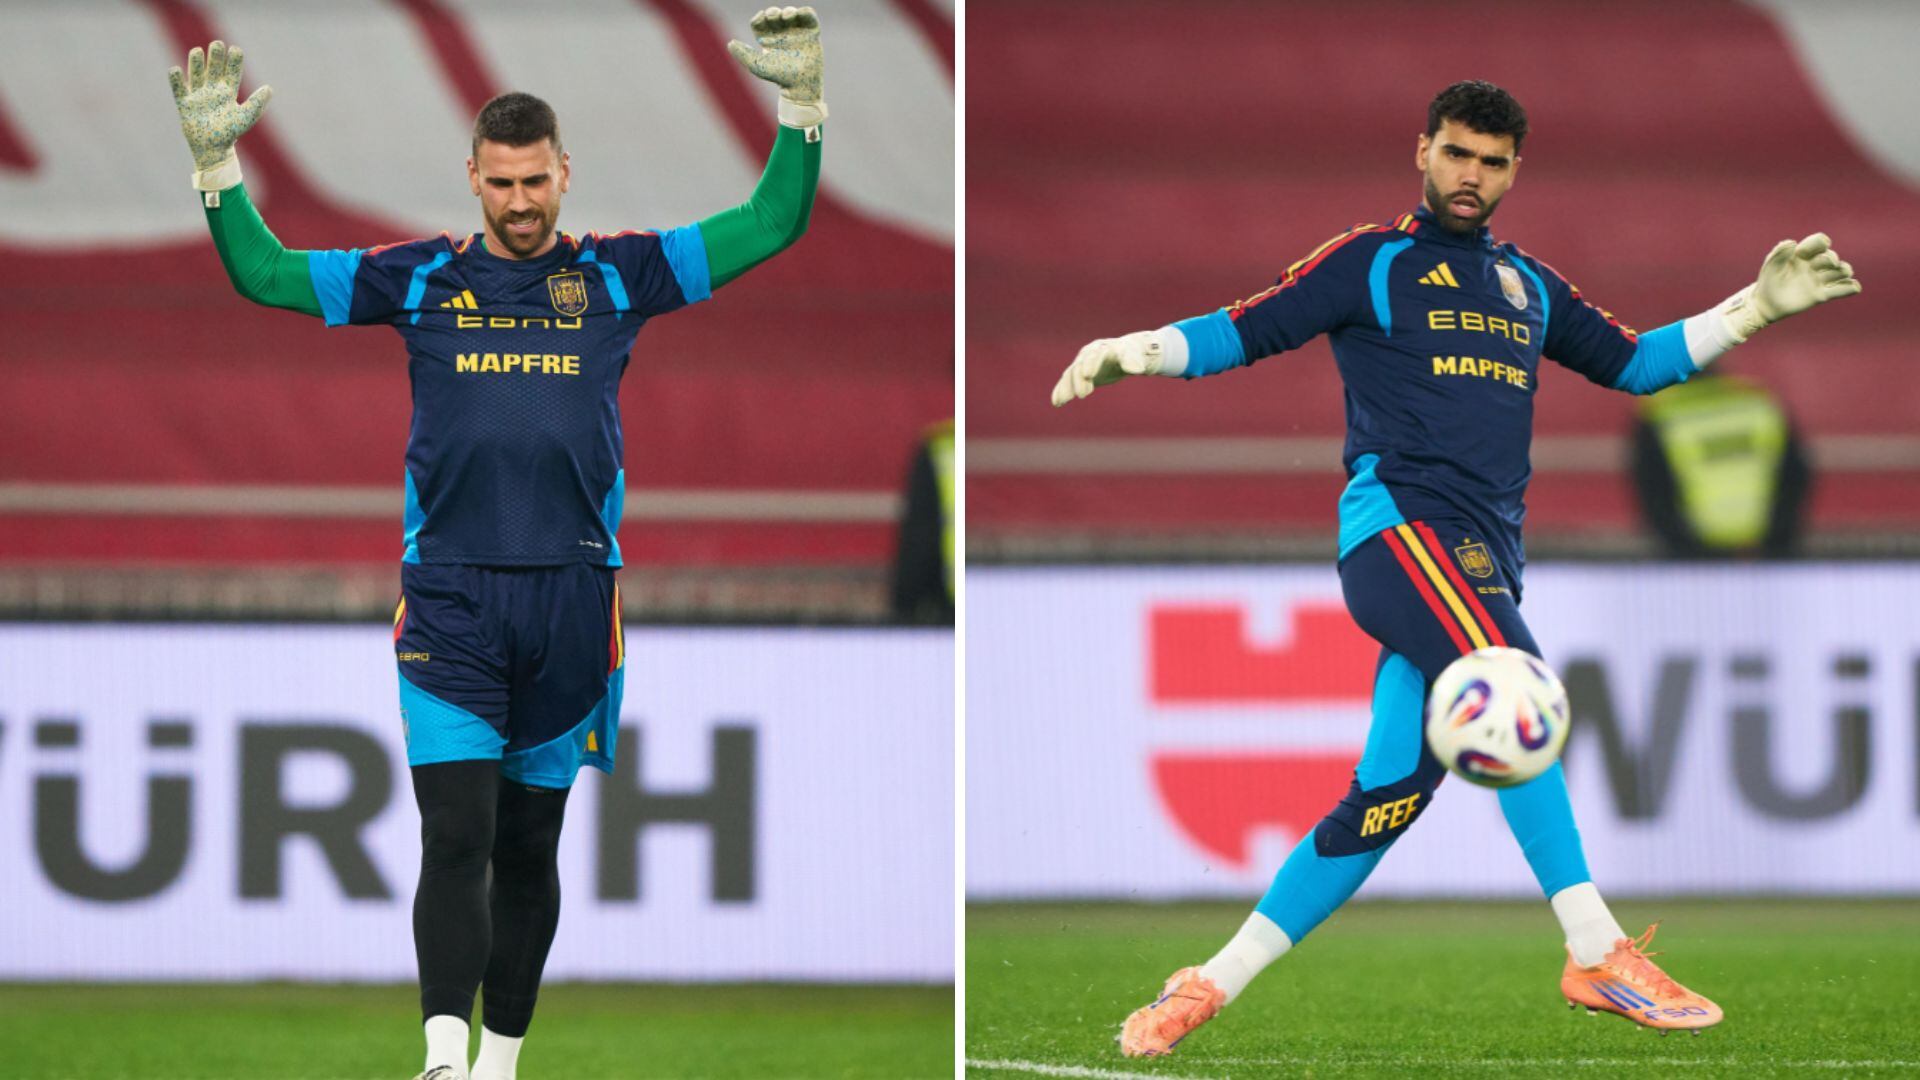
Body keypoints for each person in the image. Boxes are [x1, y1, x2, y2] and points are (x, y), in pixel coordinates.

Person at [1052, 80, 1859, 1055]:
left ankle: (1205, 986)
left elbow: (1636, 363)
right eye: (1457, 153)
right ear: (1422, 150)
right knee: (1511, 686)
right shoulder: (1372, 260)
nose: (1471, 175)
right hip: (1399, 533)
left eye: (1492, 161)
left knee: (1388, 795)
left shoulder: (1526, 286)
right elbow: (1247, 328)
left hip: (1479, 564)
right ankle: (1596, 948)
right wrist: (1135, 350)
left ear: (1515, 170)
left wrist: (1754, 309)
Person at [166, 9, 826, 1079]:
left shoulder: (622, 276)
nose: (520, 204)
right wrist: (218, 170)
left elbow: (772, 223)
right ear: (471, 177)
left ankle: (499, 1065)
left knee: (529, 850)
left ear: (565, 173)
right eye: (500, 184)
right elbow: (268, 276)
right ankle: (439, 1060)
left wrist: (801, 112)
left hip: (573, 597)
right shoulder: (416, 278)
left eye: (536, 182)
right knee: (455, 835)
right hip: (451, 600)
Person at [1630, 370, 1811, 558]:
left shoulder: (1659, 414)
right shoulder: (1757, 402)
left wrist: (1681, 548)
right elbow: (1795, 476)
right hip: (1768, 556)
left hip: (1692, 562)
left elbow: (1652, 489)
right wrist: (1779, 541)